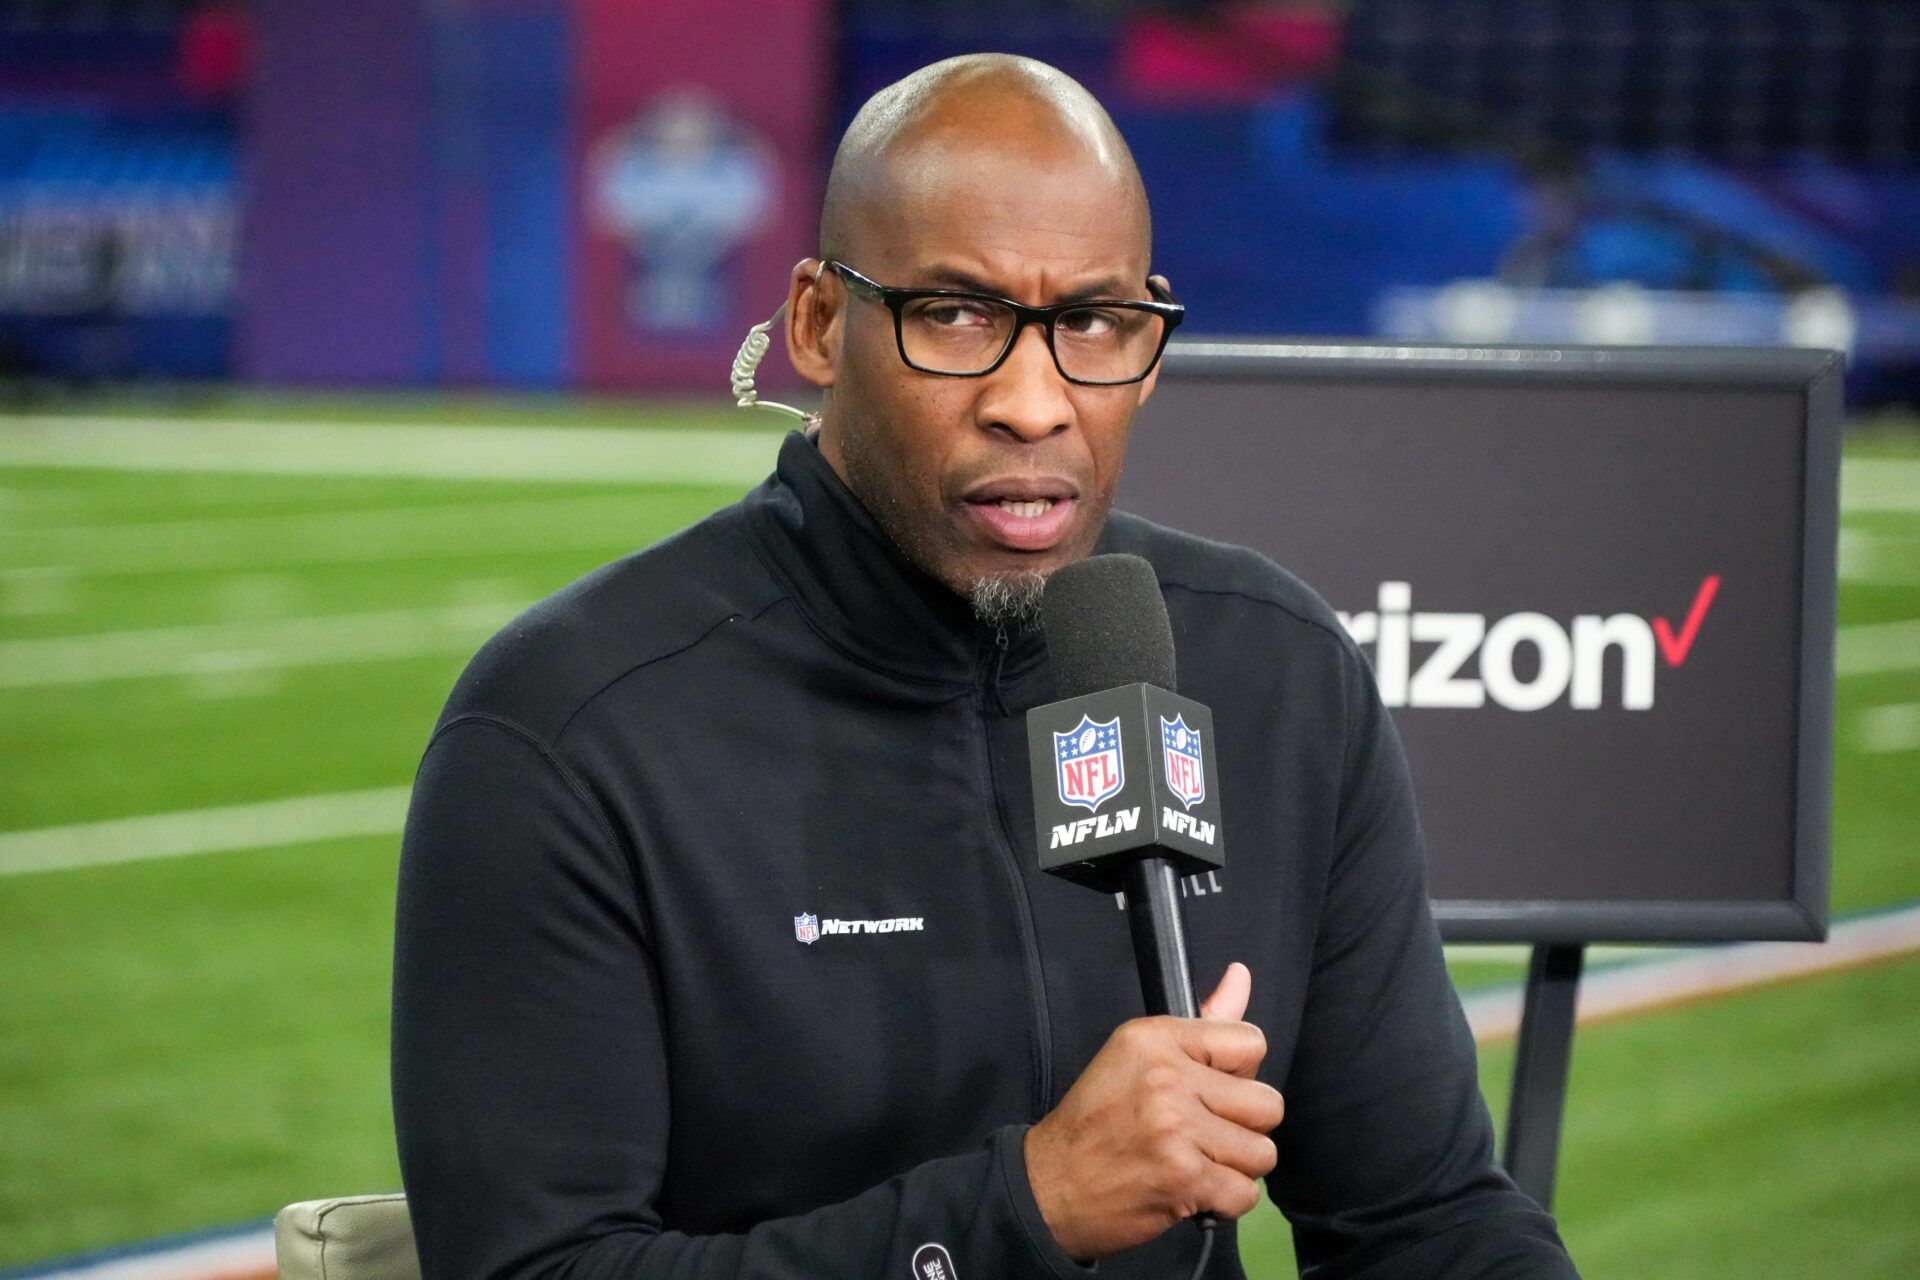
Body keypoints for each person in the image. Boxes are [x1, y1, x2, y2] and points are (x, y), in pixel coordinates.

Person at [391, 54, 1580, 1280]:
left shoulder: (1273, 670)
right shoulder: (570, 730)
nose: (1034, 400)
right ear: (817, 323)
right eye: (955, 314)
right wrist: (1022, 1209)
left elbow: (1426, 1219)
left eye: (1092, 323)